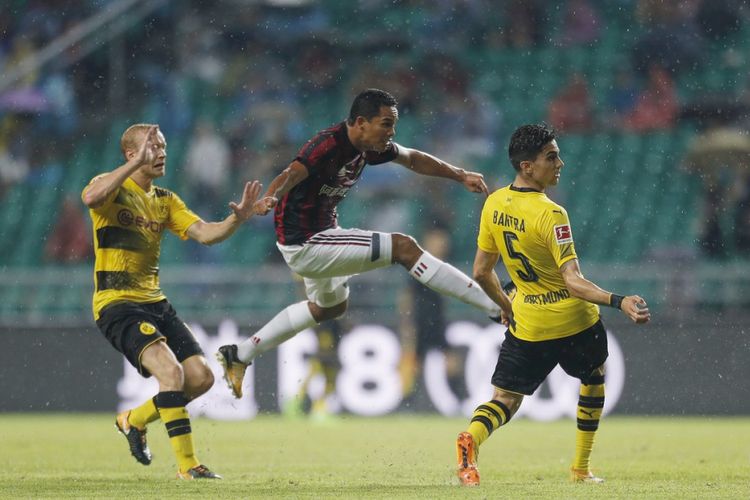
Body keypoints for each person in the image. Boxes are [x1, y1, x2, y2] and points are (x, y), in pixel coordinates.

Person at [215, 88, 512, 399]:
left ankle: (240, 354)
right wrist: (270, 197)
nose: (391, 132)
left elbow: (412, 158)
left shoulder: (370, 146)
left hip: (318, 237)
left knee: (328, 307)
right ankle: (493, 306)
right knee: (404, 247)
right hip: (308, 242)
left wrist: (458, 174)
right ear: (360, 122)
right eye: (385, 124)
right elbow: (292, 172)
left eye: (393, 124)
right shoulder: (327, 145)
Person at [454, 123, 651, 487]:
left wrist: (506, 305)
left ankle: (472, 442)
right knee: (593, 378)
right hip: (576, 322)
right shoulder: (552, 214)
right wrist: (618, 300)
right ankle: (580, 469)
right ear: (527, 166)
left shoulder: (494, 203)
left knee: (505, 399)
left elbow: (481, 272)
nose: (560, 162)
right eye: (551, 156)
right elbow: (573, 282)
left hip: (529, 323)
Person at [81, 124, 262, 480]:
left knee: (200, 378)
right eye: (154, 146)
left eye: (163, 146)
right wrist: (133, 168)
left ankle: (133, 420)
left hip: (156, 303)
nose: (162, 152)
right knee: (171, 373)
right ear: (132, 155)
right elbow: (90, 199)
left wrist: (237, 218)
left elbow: (206, 234)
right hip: (117, 302)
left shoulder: (165, 200)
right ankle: (188, 466)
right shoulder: (110, 186)